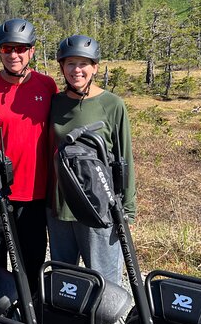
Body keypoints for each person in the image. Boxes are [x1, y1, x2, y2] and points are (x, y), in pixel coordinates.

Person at [0, 18, 58, 289]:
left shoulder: (47, 86)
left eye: (20, 49)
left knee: (32, 265)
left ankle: (28, 321)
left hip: (34, 193)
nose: (14, 55)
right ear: (0, 51)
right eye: (7, 49)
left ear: (31, 51)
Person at [47, 34, 136, 286]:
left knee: (105, 279)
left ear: (95, 67)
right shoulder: (55, 102)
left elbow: (124, 156)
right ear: (62, 66)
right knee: (64, 280)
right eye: (70, 63)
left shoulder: (112, 104)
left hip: (99, 205)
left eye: (83, 63)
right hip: (60, 206)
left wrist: (127, 208)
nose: (77, 70)